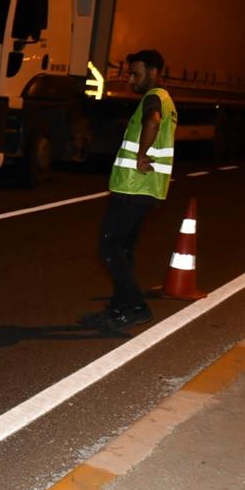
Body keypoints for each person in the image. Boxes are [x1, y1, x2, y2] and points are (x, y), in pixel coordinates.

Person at [81, 49, 178, 330]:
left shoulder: (154, 99)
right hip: (146, 188)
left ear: (153, 71)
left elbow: (152, 121)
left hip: (133, 186)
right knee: (123, 249)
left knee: (108, 247)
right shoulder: (166, 99)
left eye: (136, 73)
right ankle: (119, 307)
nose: (131, 79)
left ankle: (136, 306)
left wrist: (141, 154)